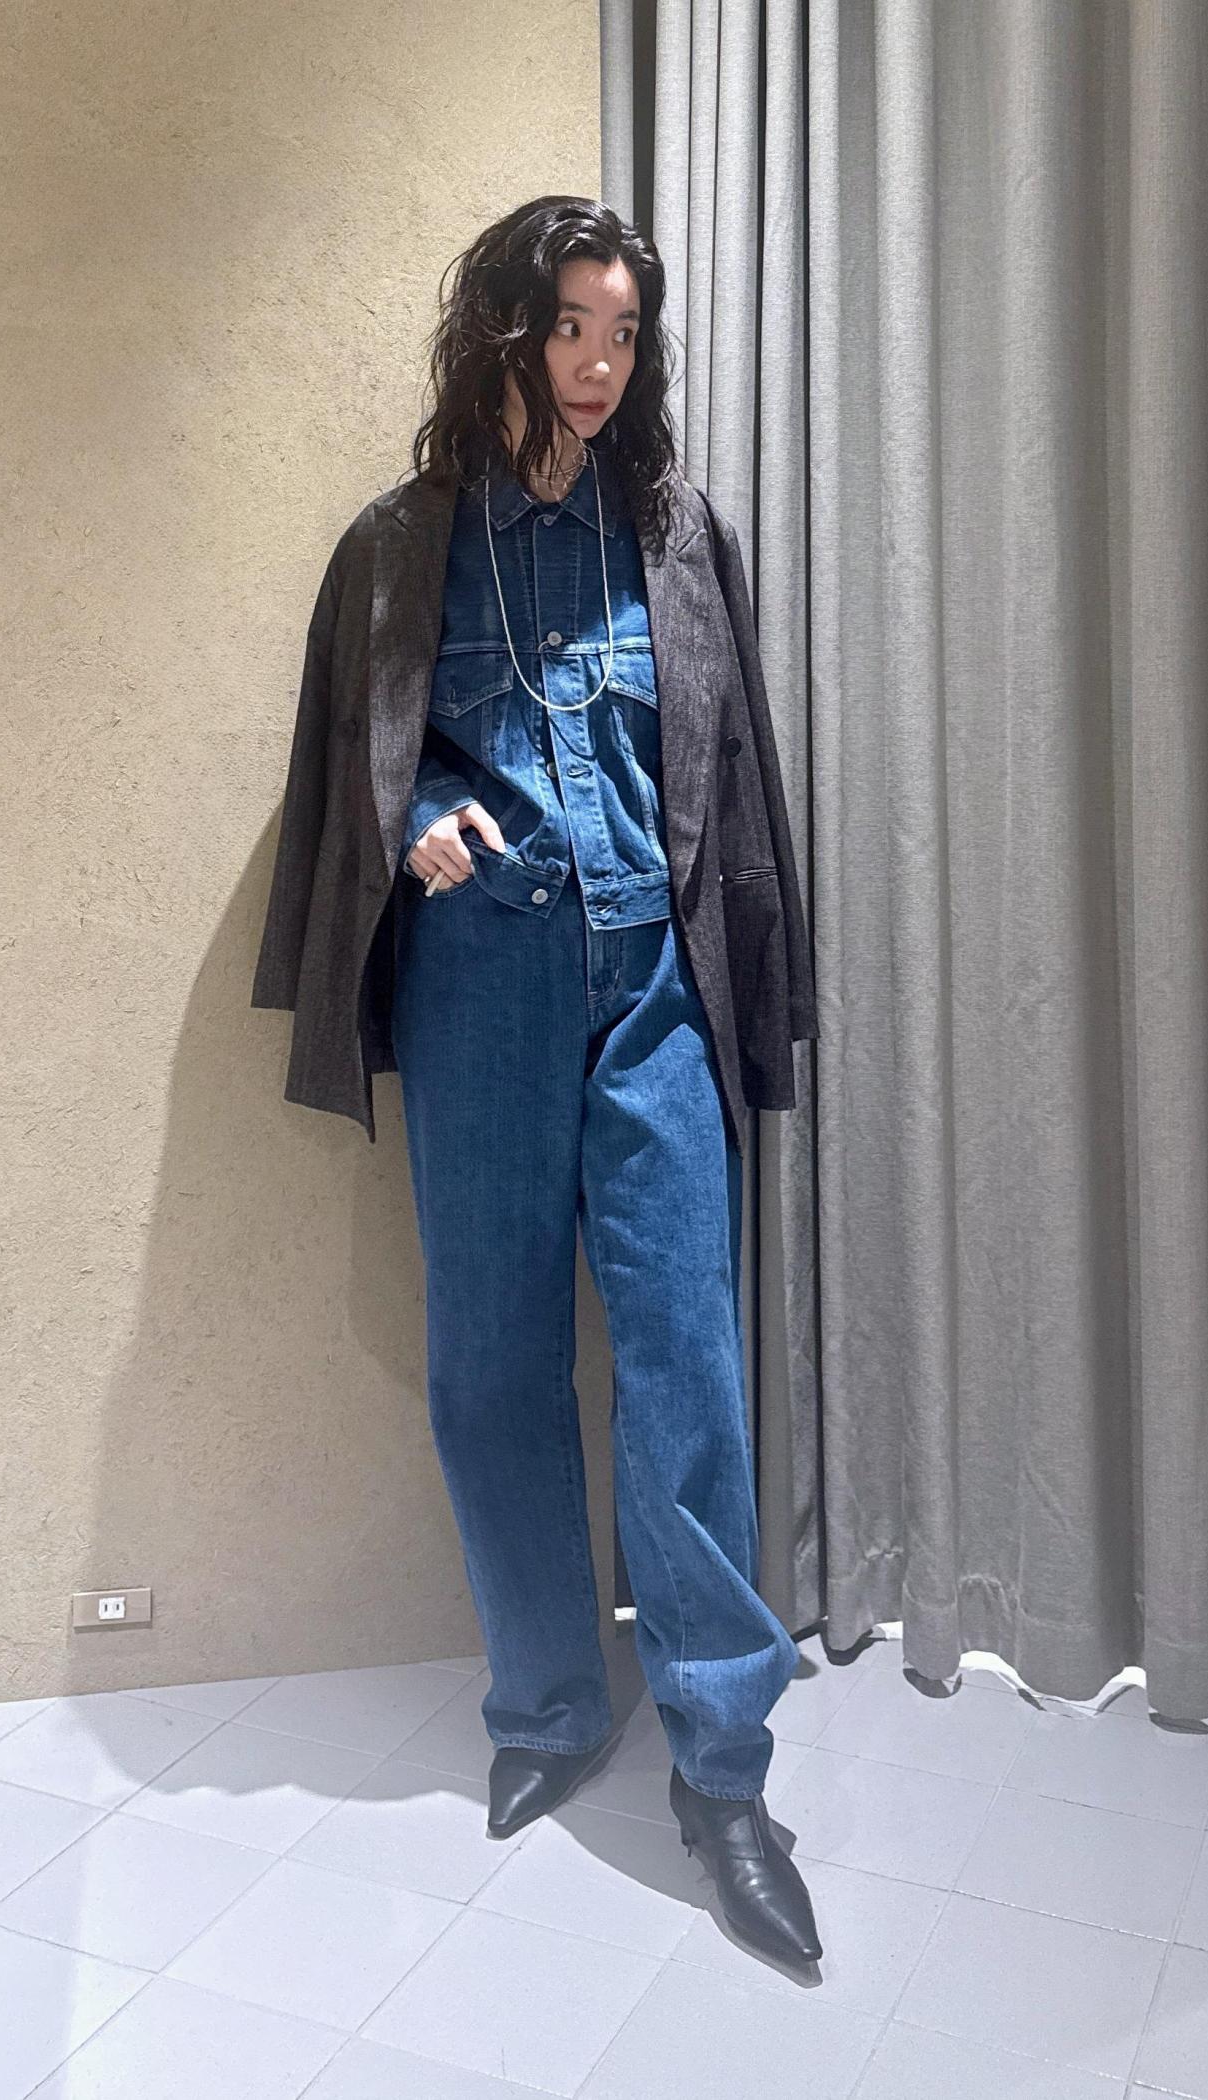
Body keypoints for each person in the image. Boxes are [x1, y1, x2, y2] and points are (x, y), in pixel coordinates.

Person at [253, 196, 821, 1979]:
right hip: (483, 989)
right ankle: (549, 1705)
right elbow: (360, 766)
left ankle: (724, 1769)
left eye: (623, 334)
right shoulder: (395, 546)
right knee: (493, 1360)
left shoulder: (677, 536)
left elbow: (730, 774)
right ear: (500, 333)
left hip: (651, 991)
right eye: (569, 327)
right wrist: (426, 816)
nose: (597, 365)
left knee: (686, 1365)